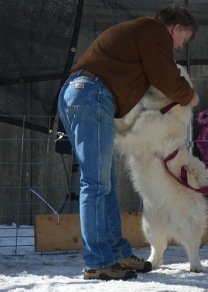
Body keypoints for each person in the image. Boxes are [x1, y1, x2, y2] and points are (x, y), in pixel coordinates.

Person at [57, 4, 199, 281]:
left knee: (104, 181)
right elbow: (166, 77)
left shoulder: (140, 34)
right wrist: (189, 96)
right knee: (96, 183)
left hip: (84, 95)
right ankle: (98, 262)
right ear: (176, 28)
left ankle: (116, 253)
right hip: (91, 95)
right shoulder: (153, 31)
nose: (180, 47)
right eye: (184, 39)